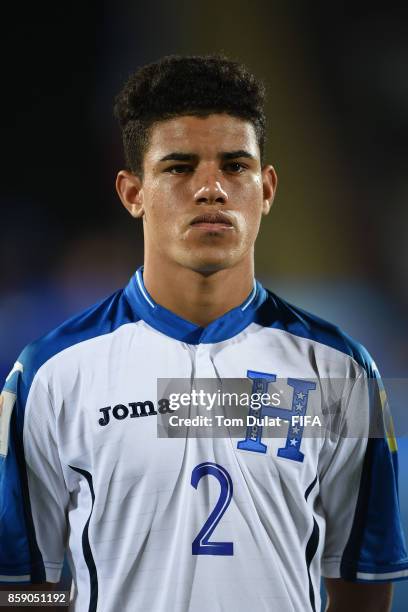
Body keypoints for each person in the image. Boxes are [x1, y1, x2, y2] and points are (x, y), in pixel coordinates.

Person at [0, 54, 407, 612]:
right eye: (179, 167)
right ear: (132, 192)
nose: (211, 188)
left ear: (266, 189)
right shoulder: (52, 374)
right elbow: (20, 590)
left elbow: (363, 582)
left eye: (235, 166)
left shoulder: (338, 370)